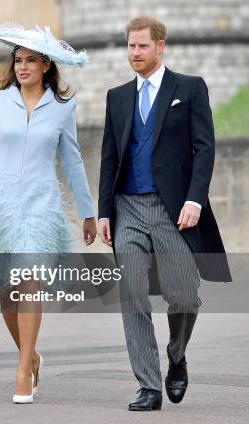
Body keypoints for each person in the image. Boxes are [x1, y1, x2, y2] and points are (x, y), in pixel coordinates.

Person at [0, 24, 96, 404]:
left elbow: (73, 161)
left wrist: (88, 212)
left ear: (47, 65)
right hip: (0, 205)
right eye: (18, 60)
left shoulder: (63, 107)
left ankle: (20, 369)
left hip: (41, 204)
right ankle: (31, 357)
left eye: (31, 60)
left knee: (28, 280)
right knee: (7, 291)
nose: (23, 67)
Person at [97, 16, 231, 411]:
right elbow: (109, 157)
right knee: (132, 292)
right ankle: (148, 386)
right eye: (130, 46)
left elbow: (204, 148)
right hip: (127, 208)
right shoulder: (116, 96)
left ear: (160, 46)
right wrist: (104, 211)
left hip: (173, 210)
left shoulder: (188, 89)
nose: (134, 53)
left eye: (142, 46)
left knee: (183, 295)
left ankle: (176, 355)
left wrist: (194, 200)